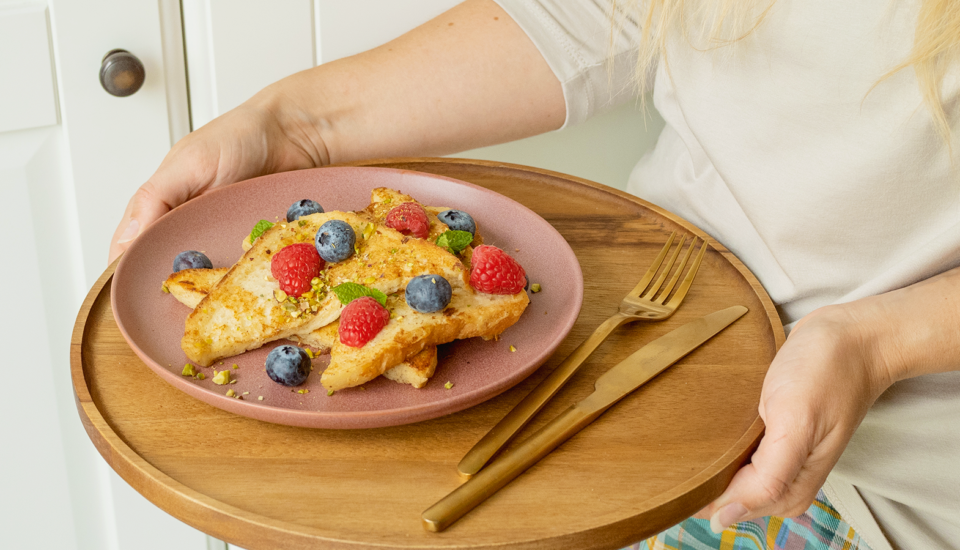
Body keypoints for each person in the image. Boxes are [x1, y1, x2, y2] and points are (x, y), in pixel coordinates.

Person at [109, 1, 960, 548]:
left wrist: (877, 343)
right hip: (637, 367)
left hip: (883, 492)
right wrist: (290, 124)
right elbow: (595, 15)